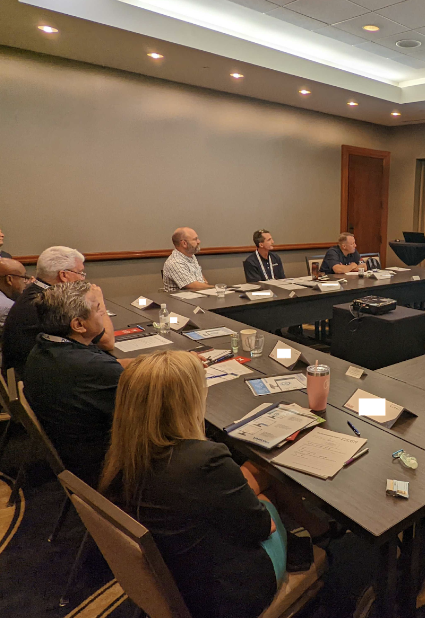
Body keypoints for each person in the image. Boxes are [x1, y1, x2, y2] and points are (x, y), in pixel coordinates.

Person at [99, 351, 328, 618]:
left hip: (175, 577)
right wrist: (258, 497)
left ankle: (316, 526)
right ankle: (321, 534)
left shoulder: (123, 458)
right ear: (187, 401)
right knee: (268, 483)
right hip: (226, 595)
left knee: (255, 473)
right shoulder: (205, 460)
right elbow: (264, 527)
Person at [23, 282, 130, 485]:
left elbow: (113, 366)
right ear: (78, 325)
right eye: (99, 309)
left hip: (70, 449)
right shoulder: (93, 368)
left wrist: (161, 361)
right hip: (105, 463)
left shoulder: (46, 345)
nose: (103, 315)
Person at [2, 246, 114, 377]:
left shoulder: (34, 292)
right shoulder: (50, 304)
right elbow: (107, 342)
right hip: (40, 379)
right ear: (64, 275)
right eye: (80, 273)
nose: (83, 279)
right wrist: (99, 302)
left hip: (29, 370)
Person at [163, 227, 211, 292]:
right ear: (184, 244)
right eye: (195, 239)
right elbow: (193, 286)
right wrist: (217, 289)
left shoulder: (191, 256)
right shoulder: (174, 262)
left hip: (197, 297)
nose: (199, 241)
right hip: (180, 300)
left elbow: (201, 280)